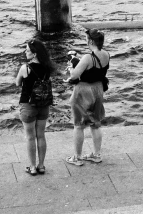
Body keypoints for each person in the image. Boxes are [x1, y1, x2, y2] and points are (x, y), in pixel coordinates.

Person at [65, 29, 110, 166]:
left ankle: (77, 157)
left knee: (78, 125)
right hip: (98, 89)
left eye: (86, 39)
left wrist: (70, 68)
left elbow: (74, 76)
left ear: (90, 41)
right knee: (95, 124)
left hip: (83, 91)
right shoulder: (106, 54)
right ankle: (96, 155)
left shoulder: (87, 58)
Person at [16, 39, 55, 176]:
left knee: (30, 137)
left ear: (34, 54)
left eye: (27, 50)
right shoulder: (47, 68)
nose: (25, 52)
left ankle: (32, 167)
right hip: (44, 105)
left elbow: (17, 83)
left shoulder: (25, 68)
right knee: (41, 135)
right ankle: (41, 165)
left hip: (29, 105)